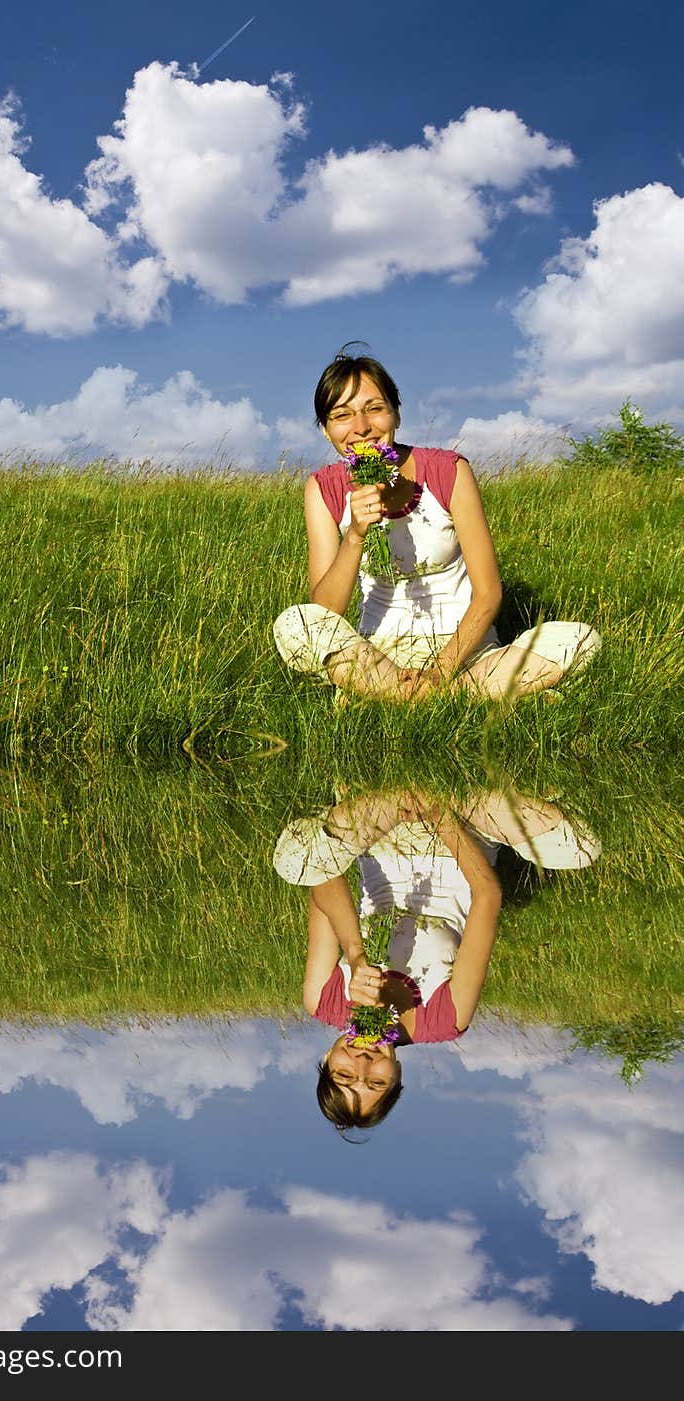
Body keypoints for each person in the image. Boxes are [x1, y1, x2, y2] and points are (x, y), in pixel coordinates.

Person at [273, 345, 602, 700]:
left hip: (464, 651)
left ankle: (396, 697)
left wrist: (441, 672)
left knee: (581, 640)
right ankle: (469, 697)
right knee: (296, 624)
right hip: (377, 654)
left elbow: (489, 594)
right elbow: (325, 610)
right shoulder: (323, 488)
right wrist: (354, 534)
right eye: (342, 415)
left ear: (396, 414)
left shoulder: (448, 470)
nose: (361, 427)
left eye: (375, 409)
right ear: (325, 429)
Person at [273, 785, 601, 1130]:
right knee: (580, 848)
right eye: (376, 1082)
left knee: (297, 860)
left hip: (382, 836)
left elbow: (321, 878)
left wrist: (355, 954)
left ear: (326, 1059)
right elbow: (488, 895)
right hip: (463, 834)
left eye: (344, 1073)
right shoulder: (444, 1021)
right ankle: (443, 790)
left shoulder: (323, 1000)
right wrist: (442, 818)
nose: (364, 1064)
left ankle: (392, 792)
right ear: (397, 1077)